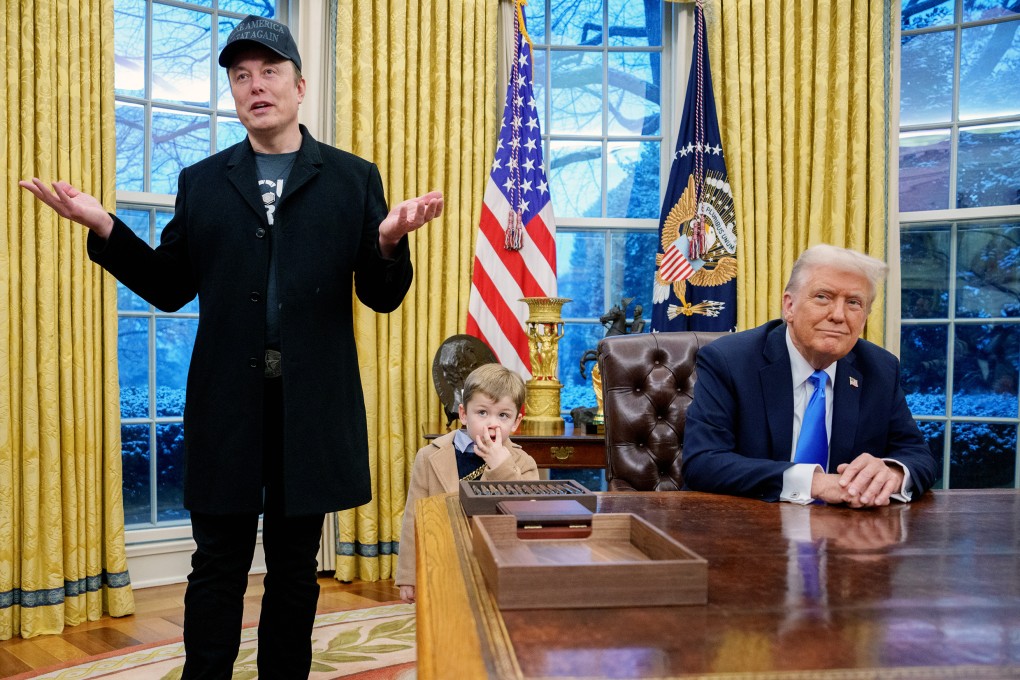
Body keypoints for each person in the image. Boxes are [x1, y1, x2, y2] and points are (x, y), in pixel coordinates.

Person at [19, 14, 443, 679]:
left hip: (313, 407)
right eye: (240, 76)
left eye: (269, 72)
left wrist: (389, 242)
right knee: (216, 562)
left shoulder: (354, 181)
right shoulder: (204, 181)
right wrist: (105, 225)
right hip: (228, 406)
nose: (254, 86)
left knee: (295, 568)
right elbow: (166, 285)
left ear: (299, 86)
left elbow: (381, 295)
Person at [682, 244, 939, 508]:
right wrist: (814, 483)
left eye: (853, 303)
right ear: (789, 306)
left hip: (845, 536)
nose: (838, 315)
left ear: (865, 317)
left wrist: (892, 474)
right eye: (823, 297)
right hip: (744, 527)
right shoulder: (729, 361)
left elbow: (918, 455)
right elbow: (703, 461)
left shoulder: (880, 368)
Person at [395, 363, 538, 603]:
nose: (492, 423)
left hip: (496, 567)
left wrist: (501, 466)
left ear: (515, 422)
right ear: (463, 414)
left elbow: (526, 519)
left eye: (503, 415)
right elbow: (414, 519)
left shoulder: (523, 463)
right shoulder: (429, 456)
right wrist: (409, 575)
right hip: (442, 565)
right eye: (482, 412)